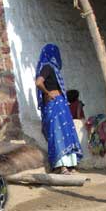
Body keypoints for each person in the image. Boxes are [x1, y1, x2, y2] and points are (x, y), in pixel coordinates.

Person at [35, 44, 83, 174]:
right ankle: (62, 166)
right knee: (58, 133)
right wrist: (47, 92)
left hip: (60, 104)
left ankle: (71, 165)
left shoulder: (54, 69)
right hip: (55, 105)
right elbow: (39, 82)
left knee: (66, 132)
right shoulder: (48, 67)